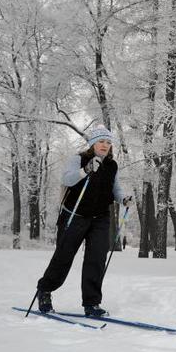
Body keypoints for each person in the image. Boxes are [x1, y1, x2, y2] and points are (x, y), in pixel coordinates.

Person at [36, 125, 131, 317]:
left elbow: (116, 188)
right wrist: (86, 170)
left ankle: (92, 303)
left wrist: (123, 199)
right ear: (93, 143)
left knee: (96, 260)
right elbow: (67, 180)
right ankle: (45, 291)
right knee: (64, 256)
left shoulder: (112, 165)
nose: (105, 145)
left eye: (109, 142)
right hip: (75, 215)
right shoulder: (78, 159)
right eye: (101, 141)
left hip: (100, 218)